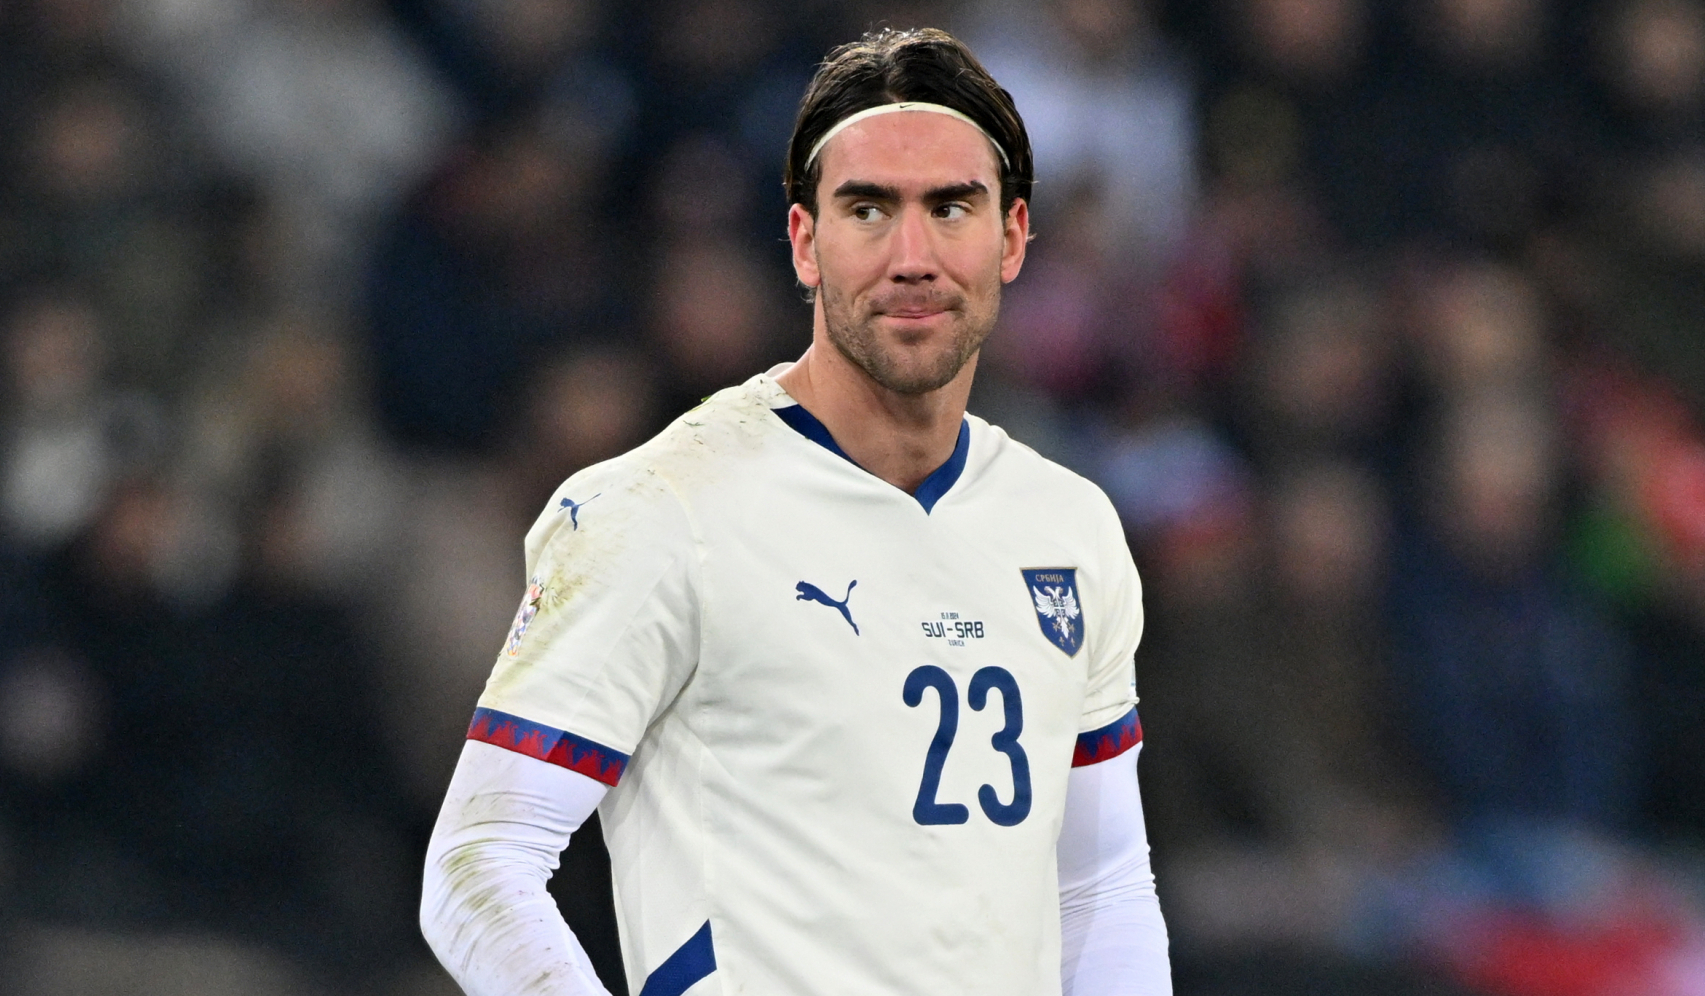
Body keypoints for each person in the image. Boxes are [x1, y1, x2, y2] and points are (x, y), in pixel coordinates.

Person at [420, 27, 1171, 996]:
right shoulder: (662, 509)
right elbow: (478, 862)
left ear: (1013, 237)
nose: (912, 257)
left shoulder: (1067, 527)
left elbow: (1101, 886)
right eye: (869, 210)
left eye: (950, 207)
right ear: (805, 243)